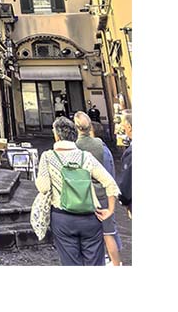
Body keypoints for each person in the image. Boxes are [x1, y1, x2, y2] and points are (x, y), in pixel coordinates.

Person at [36, 115, 120, 265]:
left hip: (63, 218)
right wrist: (110, 210)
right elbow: (110, 183)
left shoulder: (48, 157)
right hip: (90, 216)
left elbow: (43, 187)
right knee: (95, 264)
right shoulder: (85, 156)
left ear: (56, 135)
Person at [74, 111, 121, 265]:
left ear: (77, 128)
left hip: (84, 198)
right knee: (109, 233)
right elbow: (110, 172)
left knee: (89, 238)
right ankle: (116, 264)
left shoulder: (74, 148)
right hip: (103, 195)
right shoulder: (101, 146)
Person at [117, 112, 132, 217]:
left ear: (129, 127)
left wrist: (124, 200)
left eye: (124, 127)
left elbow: (126, 181)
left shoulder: (131, 153)